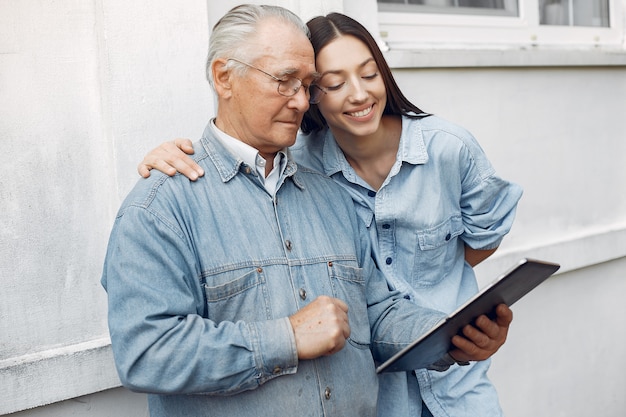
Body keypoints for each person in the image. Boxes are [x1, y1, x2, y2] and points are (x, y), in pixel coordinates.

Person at [119, 5, 515, 417]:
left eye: (308, 85)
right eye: (284, 81)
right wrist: (286, 338)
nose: (302, 101)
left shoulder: (328, 192)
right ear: (224, 78)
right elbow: (145, 353)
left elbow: (376, 312)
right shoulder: (162, 206)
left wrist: (449, 336)